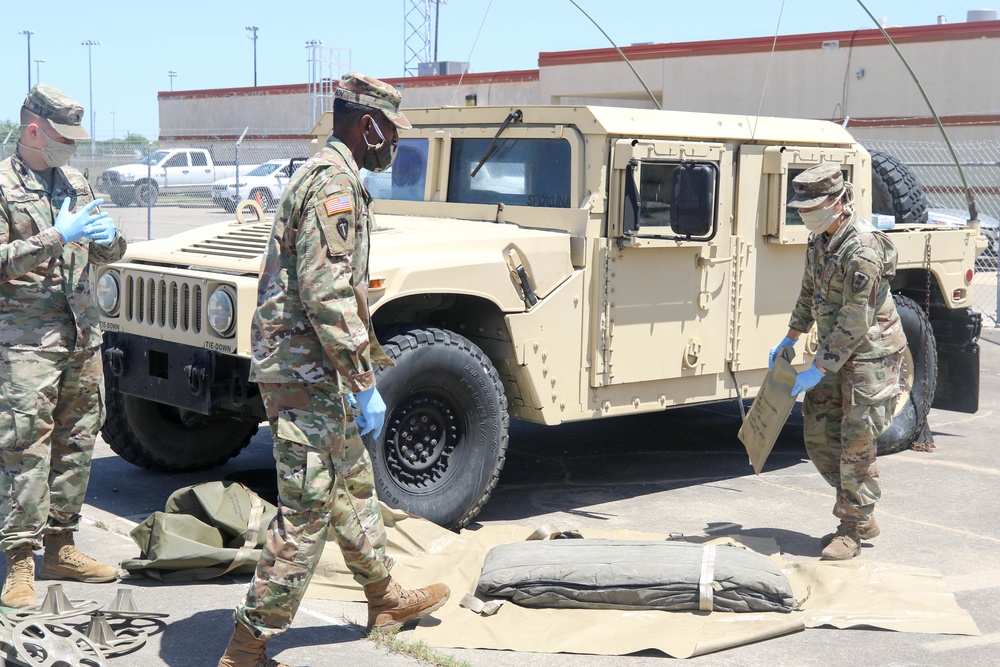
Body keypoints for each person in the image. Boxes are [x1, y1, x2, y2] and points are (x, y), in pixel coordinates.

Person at [218, 73, 449, 667]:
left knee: (351, 481)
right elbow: (327, 293)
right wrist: (363, 380)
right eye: (391, 129)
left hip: (313, 367)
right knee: (309, 506)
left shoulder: (334, 176)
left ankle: (384, 596)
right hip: (304, 371)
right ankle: (248, 644)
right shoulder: (333, 186)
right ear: (366, 124)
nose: (395, 142)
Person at [0, 83, 126, 608]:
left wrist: (108, 238)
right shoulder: (3, 185)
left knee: (76, 443)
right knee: (25, 447)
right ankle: (20, 562)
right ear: (34, 130)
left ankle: (61, 546)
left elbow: (108, 256)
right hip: (27, 341)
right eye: (63, 137)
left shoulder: (75, 181)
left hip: (81, 335)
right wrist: (58, 234)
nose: (72, 148)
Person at [768, 163, 905, 561]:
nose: (806, 213)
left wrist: (818, 368)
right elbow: (809, 291)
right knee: (818, 435)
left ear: (839, 200)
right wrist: (791, 337)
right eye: (802, 207)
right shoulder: (820, 241)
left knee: (856, 444)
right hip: (835, 351)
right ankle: (859, 510)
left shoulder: (862, 248)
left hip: (870, 357)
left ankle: (851, 528)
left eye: (814, 205)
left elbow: (856, 317)